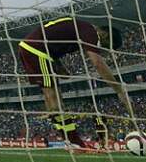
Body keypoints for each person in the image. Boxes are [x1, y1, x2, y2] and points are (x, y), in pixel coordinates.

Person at [18, 17, 129, 150]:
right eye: (104, 45)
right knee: (53, 97)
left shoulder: (81, 28)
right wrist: (119, 90)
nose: (101, 48)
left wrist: (59, 66)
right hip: (36, 50)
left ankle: (70, 141)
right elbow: (98, 63)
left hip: (32, 48)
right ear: (103, 34)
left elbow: (52, 39)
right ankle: (74, 142)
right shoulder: (91, 32)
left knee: (52, 98)